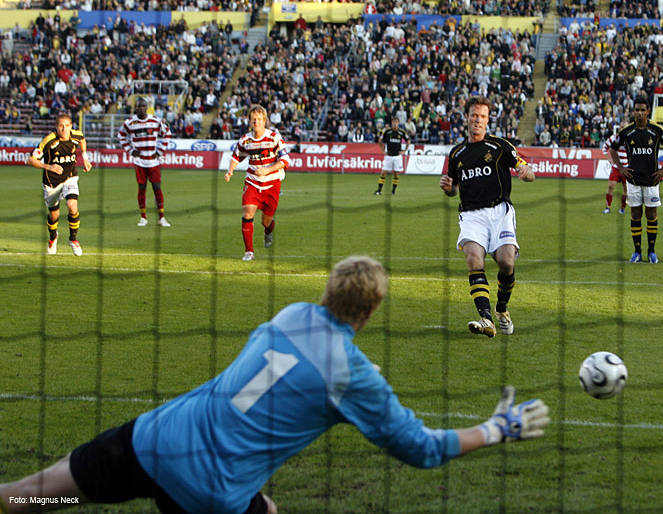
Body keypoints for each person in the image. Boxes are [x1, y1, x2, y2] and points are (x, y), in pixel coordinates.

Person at [0, 256, 551, 514]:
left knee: (37, 493)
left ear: (328, 291)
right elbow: (423, 450)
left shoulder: (290, 314)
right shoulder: (351, 375)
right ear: (373, 308)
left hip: (151, 442)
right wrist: (496, 428)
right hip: (208, 494)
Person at [439, 96, 535, 338]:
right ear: (467, 118)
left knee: (507, 263)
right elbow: (453, 190)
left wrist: (526, 171)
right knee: (473, 260)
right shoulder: (457, 153)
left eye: (482, 116)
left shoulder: (500, 146)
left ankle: (502, 309)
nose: (477, 120)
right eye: (473, 115)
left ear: (487, 120)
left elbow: (528, 171)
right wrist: (448, 187)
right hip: (471, 215)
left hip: (500, 212)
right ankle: (486, 319)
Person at [608, 96, 663, 264]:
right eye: (636, 110)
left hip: (652, 180)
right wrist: (621, 168)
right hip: (633, 181)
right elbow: (613, 149)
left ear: (648, 111)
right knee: (635, 214)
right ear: (633, 112)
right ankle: (637, 251)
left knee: (652, 214)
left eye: (642, 110)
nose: (639, 113)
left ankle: (651, 252)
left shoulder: (657, 130)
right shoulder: (626, 132)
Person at [225, 105, 289, 261]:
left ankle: (268, 231)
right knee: (247, 213)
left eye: (259, 119)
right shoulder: (245, 140)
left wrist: (267, 170)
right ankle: (249, 252)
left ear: (264, 121)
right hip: (252, 183)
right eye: (253, 119)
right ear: (249, 121)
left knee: (265, 221)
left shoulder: (274, 137)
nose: (256, 122)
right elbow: (236, 157)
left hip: (272, 184)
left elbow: (285, 160)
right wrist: (230, 171)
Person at [27, 113, 92, 256]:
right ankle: (53, 237)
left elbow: (82, 140)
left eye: (67, 125)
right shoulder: (49, 141)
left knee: (72, 205)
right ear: (56, 127)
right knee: (54, 214)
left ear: (71, 126)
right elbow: (30, 160)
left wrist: (85, 158)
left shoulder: (76, 135)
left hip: (70, 177)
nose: (64, 129)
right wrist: (48, 167)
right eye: (61, 126)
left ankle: (73, 239)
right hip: (51, 182)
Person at [117, 97, 173, 227]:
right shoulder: (130, 123)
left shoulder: (155, 121)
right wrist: (130, 150)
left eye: (143, 106)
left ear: (146, 107)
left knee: (157, 188)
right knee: (141, 188)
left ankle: (161, 217)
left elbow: (167, 133)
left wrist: (160, 151)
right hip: (139, 161)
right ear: (135, 108)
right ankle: (143, 217)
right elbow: (121, 135)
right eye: (138, 106)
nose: (140, 108)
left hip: (153, 161)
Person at [373, 116, 409, 196]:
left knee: (396, 174)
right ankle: (379, 190)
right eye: (393, 122)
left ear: (398, 123)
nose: (395, 123)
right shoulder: (387, 132)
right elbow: (380, 140)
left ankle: (393, 191)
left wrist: (404, 150)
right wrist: (383, 150)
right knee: (383, 173)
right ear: (391, 123)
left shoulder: (402, 132)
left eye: (396, 122)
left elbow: (408, 140)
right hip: (388, 156)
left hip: (397, 156)